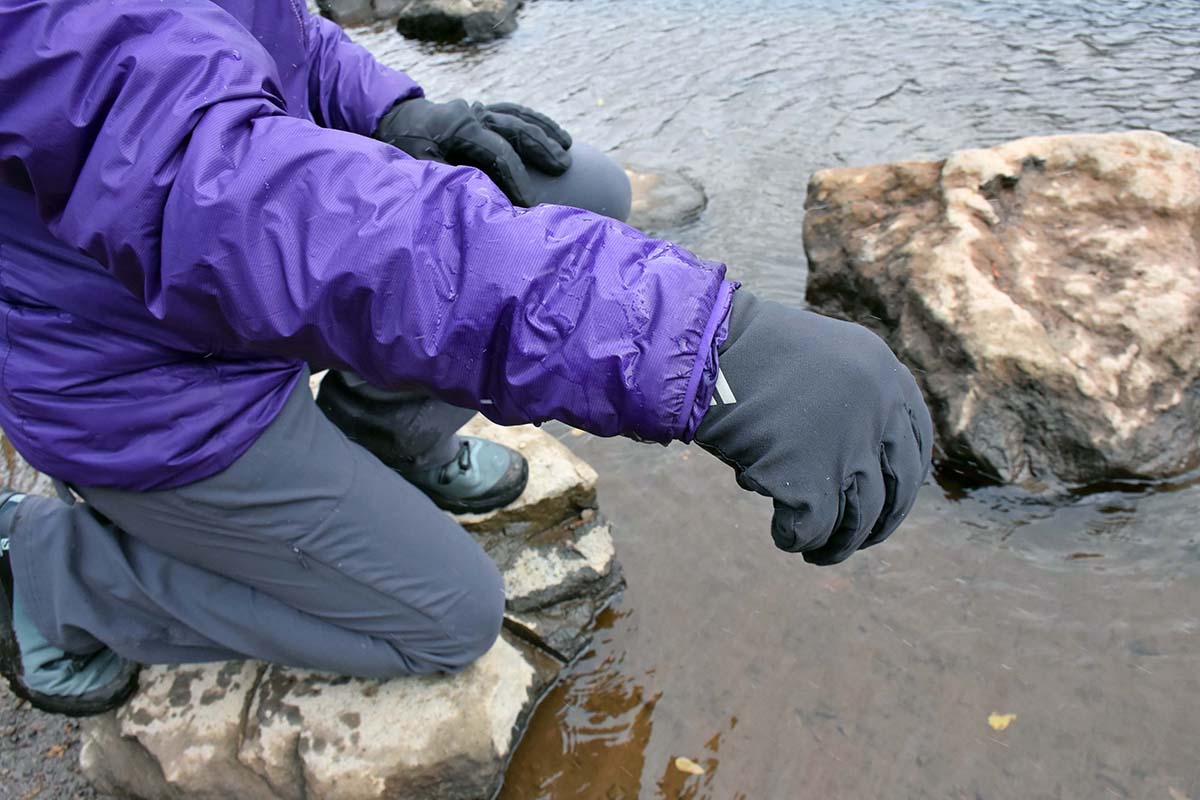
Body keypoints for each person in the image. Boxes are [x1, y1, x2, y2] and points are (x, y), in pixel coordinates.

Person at [0, 0, 933, 718]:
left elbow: (272, 39)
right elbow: (245, 213)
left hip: (217, 307)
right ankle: (48, 574)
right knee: (447, 622)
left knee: (581, 186)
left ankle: (386, 434)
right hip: (150, 395)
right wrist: (700, 349)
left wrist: (399, 116)